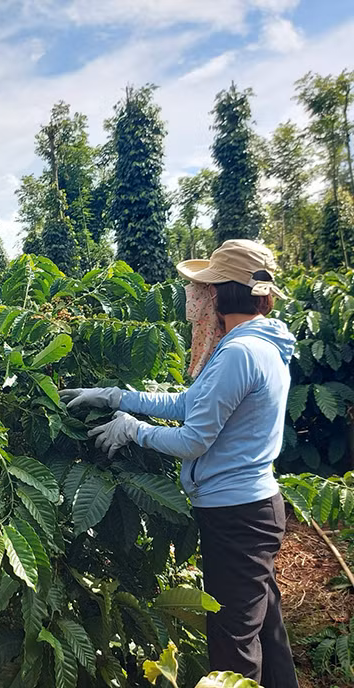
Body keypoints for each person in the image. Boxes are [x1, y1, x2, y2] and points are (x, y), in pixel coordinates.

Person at [59, 240, 299, 688]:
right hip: (254, 508)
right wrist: (117, 396)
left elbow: (193, 438)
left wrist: (133, 429)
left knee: (233, 646)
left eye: (203, 289)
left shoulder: (239, 353)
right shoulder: (259, 344)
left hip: (236, 516)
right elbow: (192, 403)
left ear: (221, 293)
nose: (195, 299)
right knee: (265, 627)